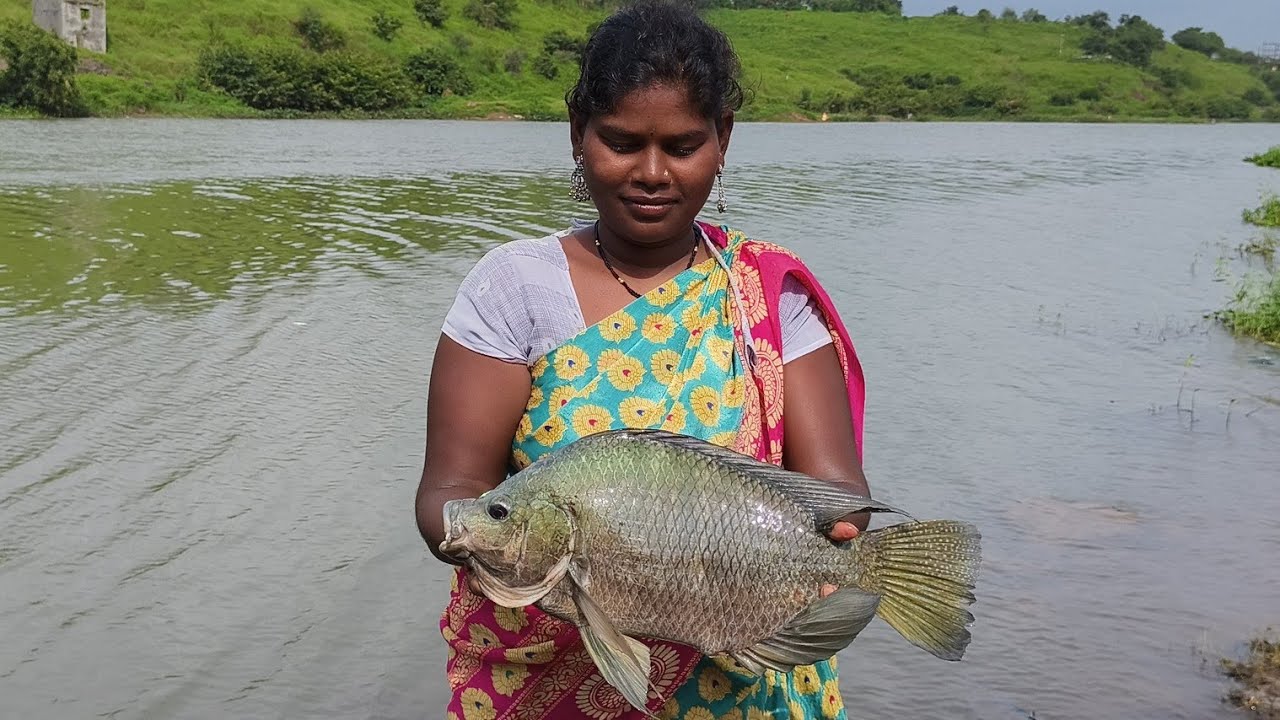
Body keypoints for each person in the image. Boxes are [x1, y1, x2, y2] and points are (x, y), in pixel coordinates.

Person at [415, 2, 872, 717]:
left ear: (723, 138)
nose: (652, 172)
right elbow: (451, 489)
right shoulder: (514, 288)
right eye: (622, 142)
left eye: (683, 146)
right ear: (578, 132)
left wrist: (817, 554)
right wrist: (495, 543)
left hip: (744, 674)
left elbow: (838, 490)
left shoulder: (767, 294)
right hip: (543, 668)